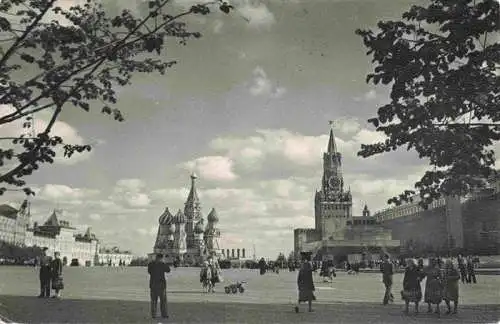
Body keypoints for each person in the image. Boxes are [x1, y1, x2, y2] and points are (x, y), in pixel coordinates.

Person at [148, 254, 171, 319]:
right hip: (161, 286)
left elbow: (149, 271)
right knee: (163, 301)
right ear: (161, 258)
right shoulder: (162, 264)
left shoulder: (151, 264)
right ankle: (164, 314)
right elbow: (168, 270)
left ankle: (153, 315)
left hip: (153, 285)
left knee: (153, 301)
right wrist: (163, 263)